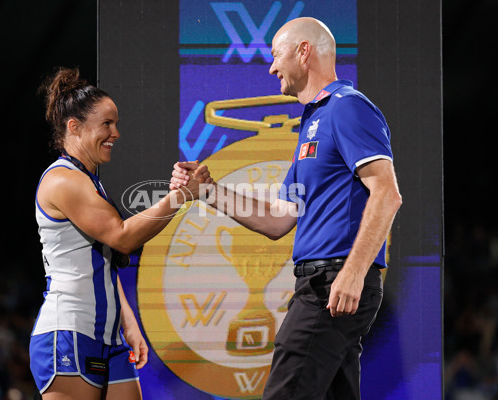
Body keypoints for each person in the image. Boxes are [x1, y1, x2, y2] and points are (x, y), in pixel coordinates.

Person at [171, 17, 402, 400]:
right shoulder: (312, 122)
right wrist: (207, 192)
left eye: (276, 54)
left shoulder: (346, 107)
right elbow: (279, 219)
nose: (272, 66)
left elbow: (387, 192)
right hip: (323, 282)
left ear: (304, 51)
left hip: (331, 284)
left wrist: (352, 272)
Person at [30, 67, 210, 400]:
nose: (116, 133)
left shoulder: (90, 182)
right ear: (74, 127)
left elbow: (103, 262)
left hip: (108, 337)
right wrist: (183, 195)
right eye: (107, 124)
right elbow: (122, 236)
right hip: (69, 332)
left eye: (116, 123)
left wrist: (128, 323)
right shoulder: (64, 181)